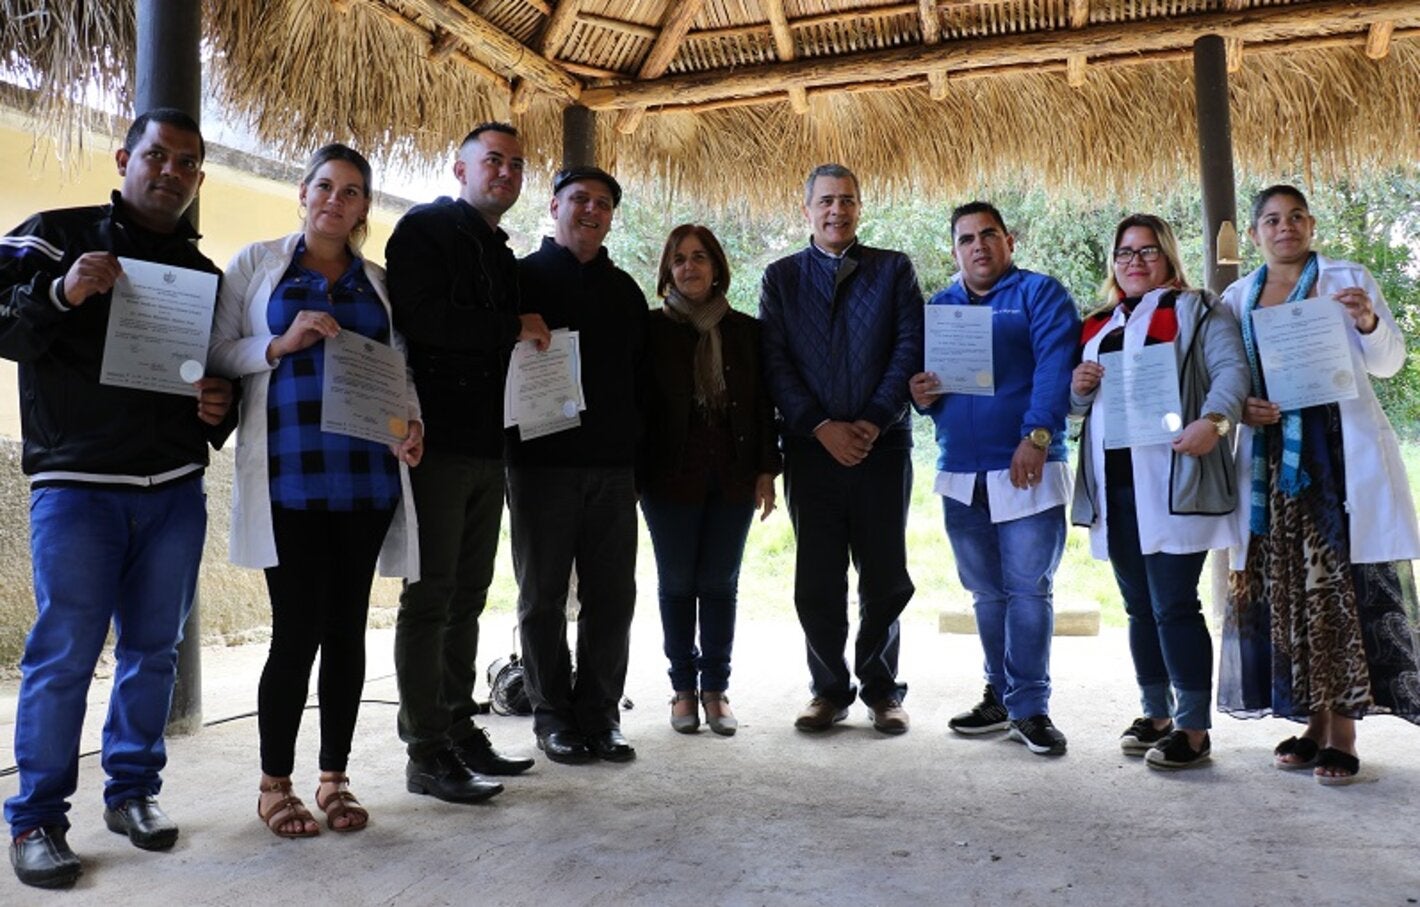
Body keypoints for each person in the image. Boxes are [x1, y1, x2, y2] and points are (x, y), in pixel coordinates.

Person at [0, 109, 234, 888]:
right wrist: (61, 292)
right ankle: (36, 817)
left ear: (197, 177)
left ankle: (132, 793)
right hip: (76, 488)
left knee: (153, 649)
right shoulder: (51, 234)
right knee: (63, 655)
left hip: (172, 489)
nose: (170, 171)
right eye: (157, 155)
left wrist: (216, 405)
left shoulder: (204, 277)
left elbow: (216, 380)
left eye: (187, 162)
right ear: (124, 157)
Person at [209, 144, 427, 836]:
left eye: (353, 190)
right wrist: (280, 344)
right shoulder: (257, 265)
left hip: (366, 480)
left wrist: (411, 424)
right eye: (326, 186)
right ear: (303, 192)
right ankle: (275, 784)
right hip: (290, 480)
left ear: (365, 206)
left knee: (347, 632)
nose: (337, 199)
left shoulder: (378, 283)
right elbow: (220, 352)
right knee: (294, 631)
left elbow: (400, 371)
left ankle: (335, 777)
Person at [1217, 184, 1420, 784]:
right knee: (1288, 589)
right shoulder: (1236, 297)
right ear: (1255, 234)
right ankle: (1311, 721)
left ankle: (1345, 730)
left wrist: (1367, 320)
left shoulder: (1346, 279)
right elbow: (1231, 379)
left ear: (1311, 226)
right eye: (1272, 220)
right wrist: (1244, 408)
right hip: (1273, 461)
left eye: (1296, 217)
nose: (1285, 228)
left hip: (1337, 456)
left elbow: (1390, 362)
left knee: (1339, 588)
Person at [385, 123, 545, 800]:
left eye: (515, 164)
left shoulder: (502, 254)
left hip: (489, 447)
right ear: (460, 168)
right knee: (430, 598)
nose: (505, 172)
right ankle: (424, 750)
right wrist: (510, 327)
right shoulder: (422, 230)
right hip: (435, 442)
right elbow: (421, 320)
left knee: (469, 597)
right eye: (493, 161)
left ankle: (455, 726)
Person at [1069, 214, 1248, 770]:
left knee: (1173, 604)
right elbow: (1075, 408)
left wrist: (1213, 422)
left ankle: (1194, 729)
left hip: (1176, 477)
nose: (1135, 262)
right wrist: (1077, 387)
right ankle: (1156, 713)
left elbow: (1231, 373)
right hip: (1116, 485)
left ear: (1168, 256)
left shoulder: (1199, 308)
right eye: (1125, 253)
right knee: (1138, 607)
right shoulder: (1097, 323)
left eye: (1147, 251)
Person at [909, 201, 1078, 756]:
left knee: (1029, 591)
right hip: (961, 471)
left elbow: (1055, 367)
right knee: (985, 594)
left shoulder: (1040, 294)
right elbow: (941, 393)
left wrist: (1036, 437)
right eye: (965, 239)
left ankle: (1031, 707)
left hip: (1027, 462)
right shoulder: (941, 306)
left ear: (1009, 241)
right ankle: (1000, 695)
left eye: (988, 235)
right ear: (954, 250)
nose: (978, 246)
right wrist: (925, 399)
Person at [760, 163, 922, 735]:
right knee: (817, 579)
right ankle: (828, 690)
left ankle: (882, 691)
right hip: (810, 450)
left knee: (885, 576)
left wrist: (874, 421)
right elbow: (774, 364)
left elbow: (908, 348)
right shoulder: (780, 278)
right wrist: (820, 426)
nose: (837, 210)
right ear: (806, 210)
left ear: (860, 208)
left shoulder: (893, 270)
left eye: (847, 200)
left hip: (883, 445)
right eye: (826, 201)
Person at [508, 166, 647, 764]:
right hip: (540, 467)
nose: (591, 211)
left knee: (612, 598)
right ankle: (551, 716)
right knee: (541, 598)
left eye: (603, 204)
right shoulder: (518, 281)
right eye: (579, 199)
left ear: (612, 216)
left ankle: (601, 715)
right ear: (554, 205)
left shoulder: (627, 292)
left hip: (614, 471)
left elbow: (645, 384)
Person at [642, 224, 780, 736]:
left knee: (720, 585)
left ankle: (716, 690)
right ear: (667, 271)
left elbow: (765, 407)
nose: (689, 267)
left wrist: (767, 468)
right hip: (667, 479)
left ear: (717, 267)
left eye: (699, 257)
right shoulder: (651, 330)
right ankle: (682, 689)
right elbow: (639, 407)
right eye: (678, 259)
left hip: (735, 477)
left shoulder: (747, 331)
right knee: (677, 585)